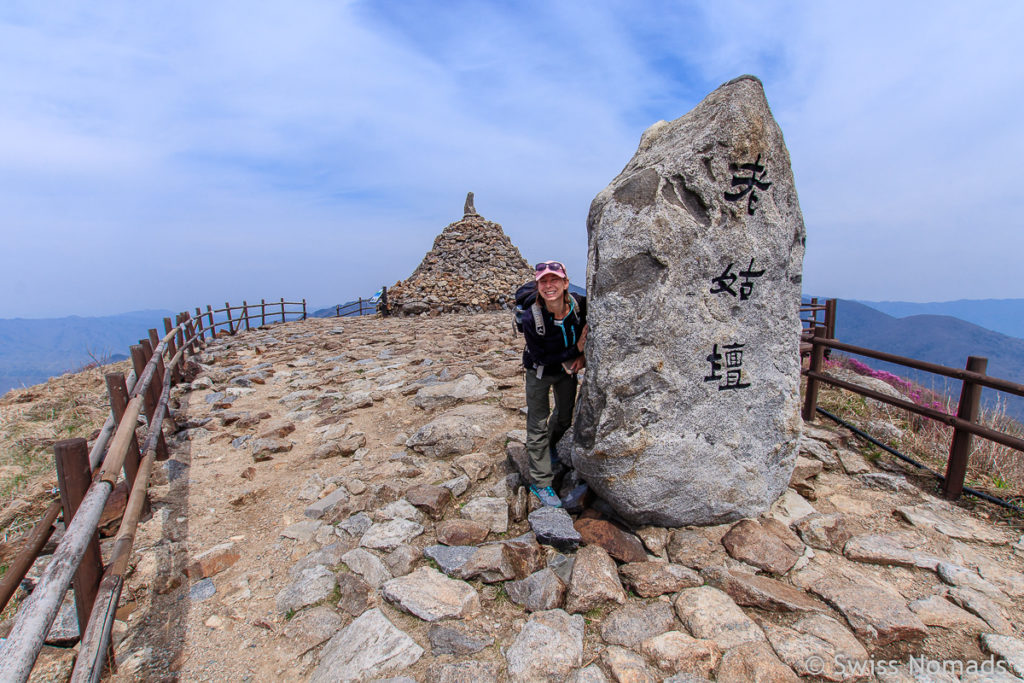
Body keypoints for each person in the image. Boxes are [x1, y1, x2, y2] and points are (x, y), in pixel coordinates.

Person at [521, 260, 588, 507]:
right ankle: (541, 483)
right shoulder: (531, 317)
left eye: (554, 280)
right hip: (538, 371)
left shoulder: (580, 306)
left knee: (563, 417)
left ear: (565, 283)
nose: (549, 286)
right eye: (543, 282)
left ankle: (550, 447)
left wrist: (580, 356)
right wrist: (576, 349)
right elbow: (540, 357)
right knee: (537, 424)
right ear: (538, 286)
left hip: (566, 370)